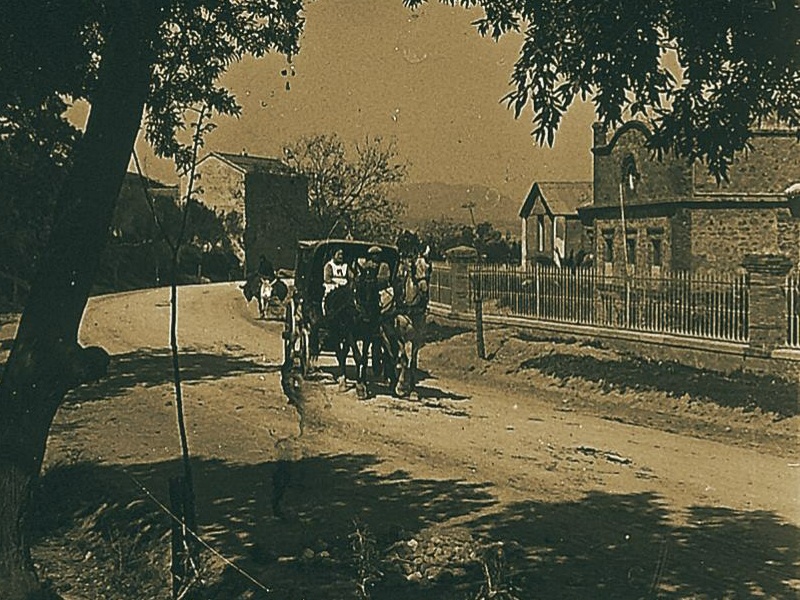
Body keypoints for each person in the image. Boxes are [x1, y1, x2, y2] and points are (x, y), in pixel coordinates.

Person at [322, 248, 349, 313]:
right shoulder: (329, 265)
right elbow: (327, 279)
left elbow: (351, 277)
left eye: (342, 254)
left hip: (344, 288)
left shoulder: (345, 266)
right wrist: (337, 284)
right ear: (333, 255)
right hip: (332, 288)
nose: (341, 256)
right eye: (339, 254)